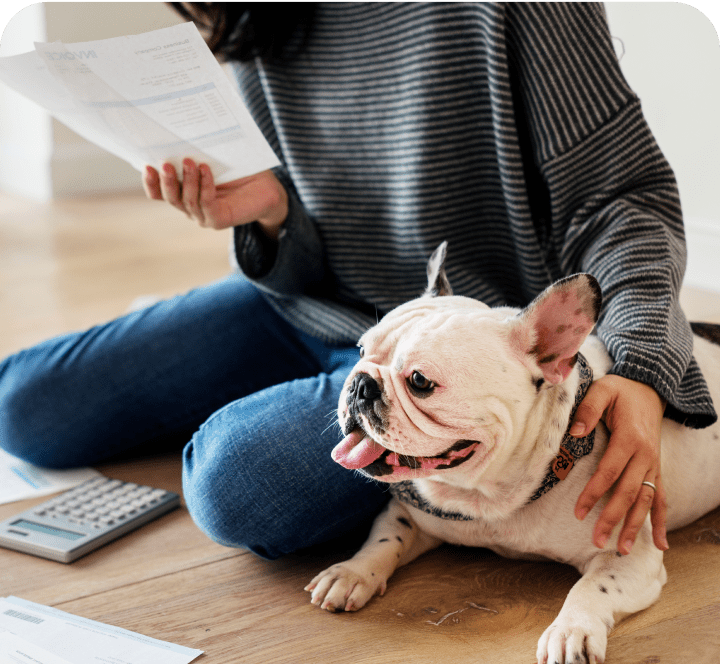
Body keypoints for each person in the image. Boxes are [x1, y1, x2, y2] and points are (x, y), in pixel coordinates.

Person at [0, 2, 715, 562]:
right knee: (21, 405)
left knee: (231, 484)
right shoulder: (255, 10)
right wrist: (272, 215)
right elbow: (300, 229)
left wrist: (643, 364)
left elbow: (626, 199)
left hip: (459, 353)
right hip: (307, 305)